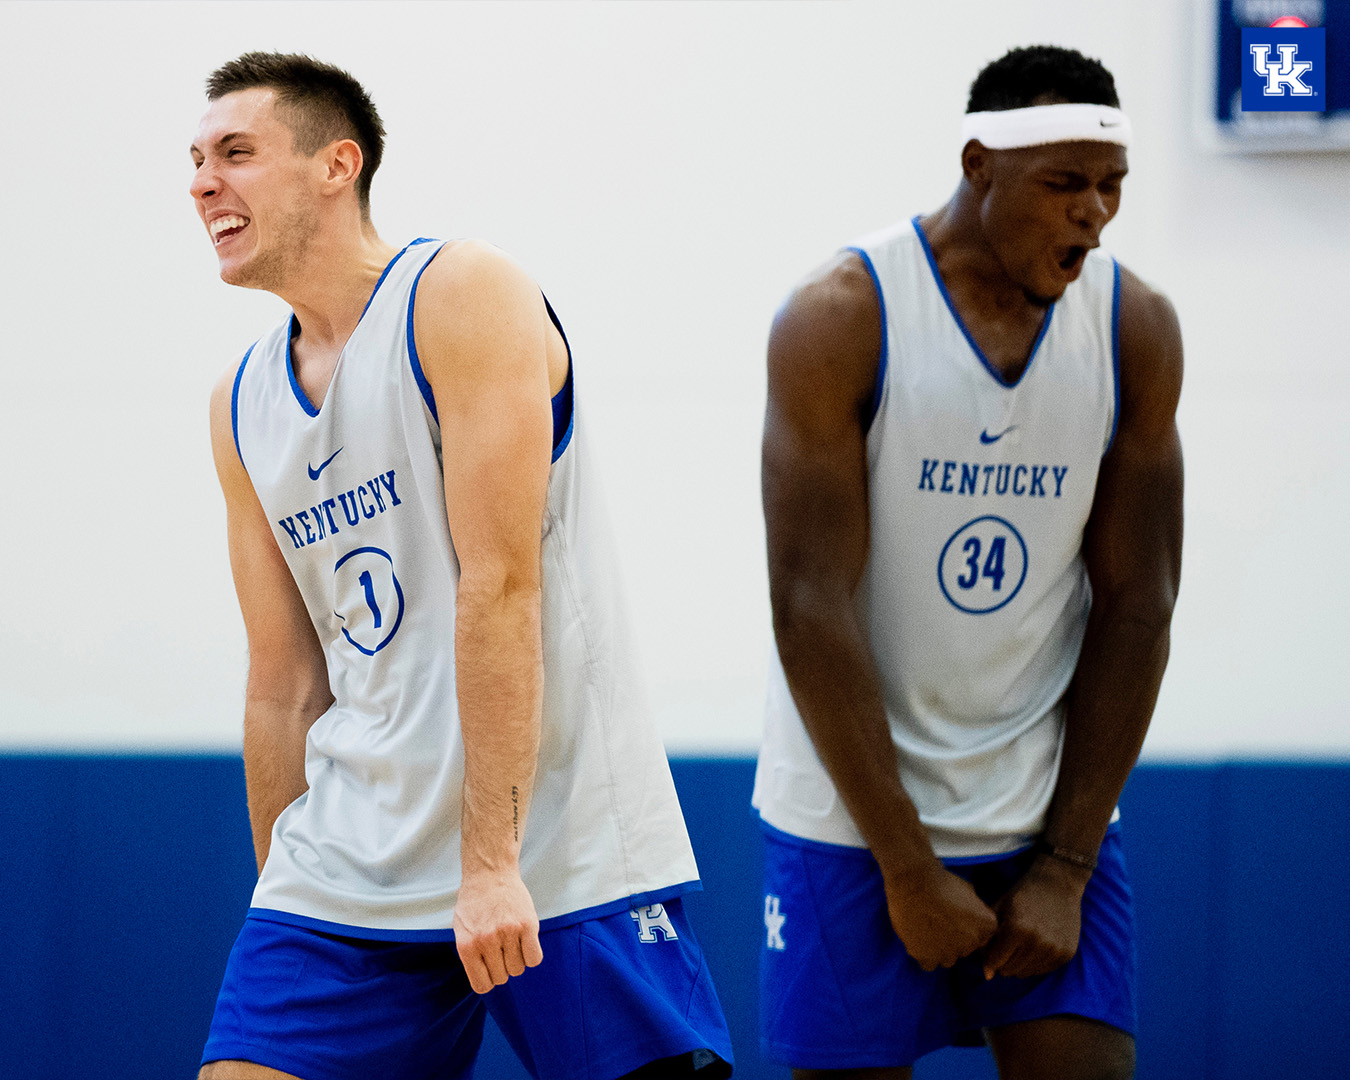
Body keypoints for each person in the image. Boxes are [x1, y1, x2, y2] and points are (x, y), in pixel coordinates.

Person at [191, 52, 732, 1080]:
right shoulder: (239, 400)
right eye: (196, 161)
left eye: (236, 153)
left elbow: (501, 587)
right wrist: (287, 894)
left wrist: (489, 866)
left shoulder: (464, 292)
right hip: (351, 862)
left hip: (554, 847)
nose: (202, 183)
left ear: (334, 166)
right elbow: (283, 681)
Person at [752, 45, 1183, 1080]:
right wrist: (905, 863)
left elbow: (1140, 604)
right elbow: (808, 605)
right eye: (1065, 184)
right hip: (852, 827)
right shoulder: (842, 317)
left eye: (1112, 187)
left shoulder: (1134, 328)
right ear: (980, 165)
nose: (1094, 213)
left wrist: (1068, 866)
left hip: (1044, 823)